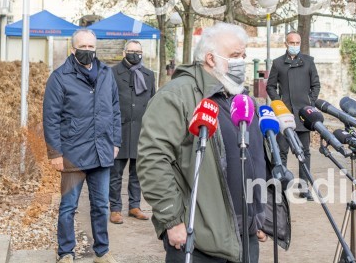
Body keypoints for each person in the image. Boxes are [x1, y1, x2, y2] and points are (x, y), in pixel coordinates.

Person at [138, 23, 281, 263]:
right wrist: (171, 220)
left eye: (243, 55)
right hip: (199, 237)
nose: (241, 62)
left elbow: (254, 158)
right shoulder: (177, 95)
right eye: (235, 55)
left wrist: (258, 216)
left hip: (245, 235)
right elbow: (153, 160)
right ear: (211, 58)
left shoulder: (240, 98)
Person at [43, 29, 122, 263]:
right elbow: (51, 117)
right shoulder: (60, 77)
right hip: (72, 153)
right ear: (73, 49)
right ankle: (66, 252)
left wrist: (115, 141)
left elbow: (115, 110)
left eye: (91, 47)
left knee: (101, 206)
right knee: (68, 206)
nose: (87, 51)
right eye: (83, 47)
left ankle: (102, 252)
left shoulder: (106, 74)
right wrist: (55, 153)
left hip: (101, 151)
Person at [266, 30, 320, 200]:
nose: (295, 45)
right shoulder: (278, 63)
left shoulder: (309, 62)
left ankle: (304, 187)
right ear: (286, 43)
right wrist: (278, 103)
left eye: (297, 43)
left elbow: (316, 85)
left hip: (304, 115)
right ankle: (279, 187)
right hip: (285, 115)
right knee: (281, 151)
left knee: (304, 152)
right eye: (292, 43)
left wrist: (310, 102)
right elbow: (270, 86)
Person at [109, 40, 156, 224]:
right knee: (115, 173)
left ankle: (134, 206)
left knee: (138, 172)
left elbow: (153, 102)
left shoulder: (149, 75)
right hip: (119, 129)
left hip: (140, 129)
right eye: (131, 51)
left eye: (138, 51)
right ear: (124, 53)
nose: (135, 54)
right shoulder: (112, 73)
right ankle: (115, 208)